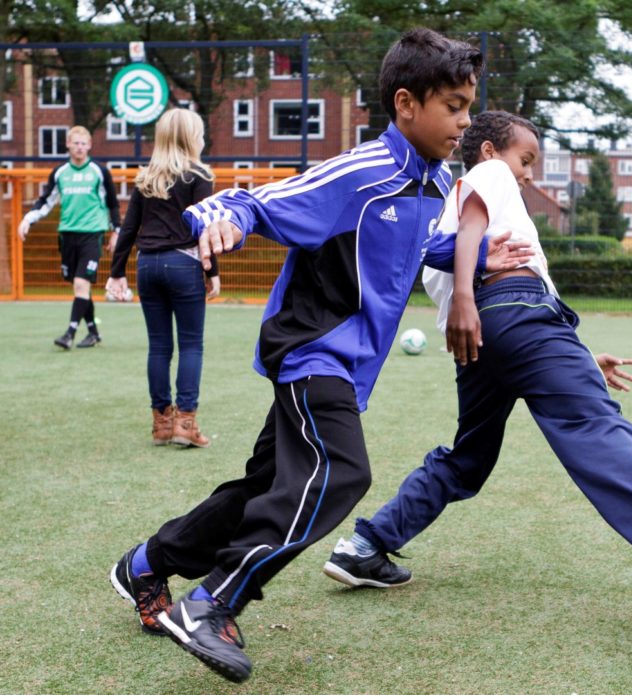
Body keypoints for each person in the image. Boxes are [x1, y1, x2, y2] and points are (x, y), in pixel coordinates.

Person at [108, 29, 532, 684]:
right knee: (340, 472)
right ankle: (213, 600)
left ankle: (145, 564)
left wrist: (469, 256)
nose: (464, 121)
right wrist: (222, 220)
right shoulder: (361, 172)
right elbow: (259, 200)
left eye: (468, 107)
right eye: (453, 106)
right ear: (406, 104)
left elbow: (415, 242)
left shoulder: (435, 181)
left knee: (265, 486)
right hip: (313, 350)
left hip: (346, 362)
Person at [322, 111, 632, 630]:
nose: (528, 174)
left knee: (468, 459)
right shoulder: (488, 175)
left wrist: (574, 354)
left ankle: (366, 545)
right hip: (511, 313)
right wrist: (467, 302)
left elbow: (472, 270)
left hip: (482, 340)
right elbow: (480, 242)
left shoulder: (438, 210)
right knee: (595, 428)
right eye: (525, 159)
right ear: (489, 152)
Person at [105, 109, 219, 448]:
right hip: (184, 264)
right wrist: (212, 271)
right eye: (200, 133)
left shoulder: (146, 177)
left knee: (158, 346)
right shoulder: (199, 175)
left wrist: (116, 272)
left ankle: (161, 424)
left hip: (147, 266)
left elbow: (129, 227)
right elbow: (205, 228)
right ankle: (185, 423)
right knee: (191, 344)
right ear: (190, 137)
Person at [18, 125, 121, 349]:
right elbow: (46, 201)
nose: (80, 148)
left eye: (84, 144)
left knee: (80, 283)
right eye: (76, 143)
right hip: (67, 235)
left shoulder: (99, 172)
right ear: (68, 144)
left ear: (90, 145)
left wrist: (116, 231)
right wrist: (27, 219)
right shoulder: (60, 173)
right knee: (80, 287)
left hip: (92, 234)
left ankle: (69, 334)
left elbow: (113, 204)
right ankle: (93, 333)